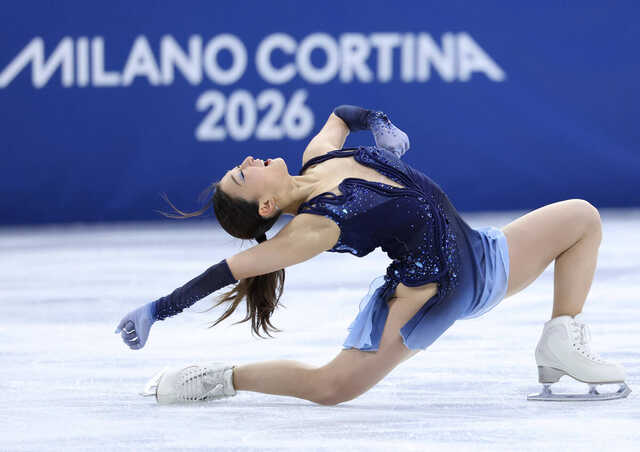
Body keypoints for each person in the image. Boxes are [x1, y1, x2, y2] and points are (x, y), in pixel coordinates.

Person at [115, 105, 630, 404]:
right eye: (242, 174)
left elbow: (342, 115)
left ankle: (559, 340)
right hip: (428, 295)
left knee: (581, 218)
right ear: (266, 206)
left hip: (482, 255)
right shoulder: (311, 229)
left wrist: (378, 121)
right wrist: (158, 310)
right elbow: (229, 270)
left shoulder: (318, 157)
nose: (248, 159)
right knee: (332, 387)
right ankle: (221, 378)